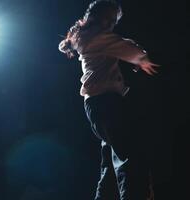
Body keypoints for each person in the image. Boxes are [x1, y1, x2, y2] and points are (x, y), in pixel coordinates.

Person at [58, 0, 159, 199]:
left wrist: (135, 58)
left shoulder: (86, 36)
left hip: (98, 106)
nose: (113, 23)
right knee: (131, 157)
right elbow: (127, 48)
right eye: (110, 18)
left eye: (115, 20)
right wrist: (142, 58)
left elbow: (119, 47)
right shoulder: (97, 37)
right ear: (97, 17)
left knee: (111, 166)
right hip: (107, 104)